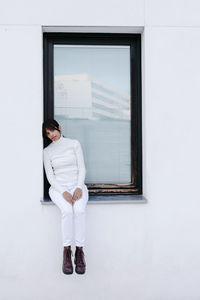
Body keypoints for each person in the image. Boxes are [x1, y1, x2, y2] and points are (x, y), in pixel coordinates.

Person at [42, 119, 89, 275]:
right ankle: (67, 253)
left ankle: (80, 253)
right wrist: (63, 191)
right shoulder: (47, 152)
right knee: (68, 211)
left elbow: (82, 168)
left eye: (52, 131)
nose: (51, 135)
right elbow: (50, 177)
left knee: (79, 210)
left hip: (77, 186)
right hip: (58, 189)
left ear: (59, 128)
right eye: (48, 133)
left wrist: (77, 187)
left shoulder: (74, 144)